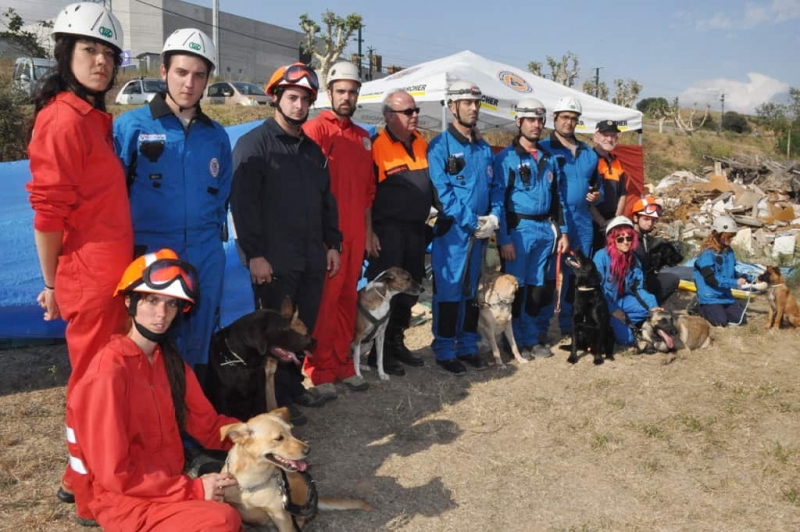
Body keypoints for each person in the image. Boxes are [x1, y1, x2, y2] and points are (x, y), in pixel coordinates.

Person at [25, 1, 133, 510]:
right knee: (91, 386)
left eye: (109, 54)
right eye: (90, 50)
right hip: (88, 281)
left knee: (105, 382)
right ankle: (90, 492)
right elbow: (47, 213)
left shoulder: (94, 120)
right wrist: (52, 282)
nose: (101, 62)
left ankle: (83, 474)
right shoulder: (62, 120)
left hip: (110, 279)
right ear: (65, 52)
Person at [65, 250, 242, 529]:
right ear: (129, 302)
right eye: (152, 300)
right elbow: (115, 475)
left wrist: (258, 435)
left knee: (240, 492)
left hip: (166, 488)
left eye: (172, 304)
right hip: (125, 502)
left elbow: (208, 426)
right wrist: (193, 490)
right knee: (222, 520)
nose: (162, 314)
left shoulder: (170, 363)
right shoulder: (108, 374)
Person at [114, 28, 231, 383]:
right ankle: (155, 424)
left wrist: (211, 246)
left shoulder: (216, 136)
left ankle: (193, 420)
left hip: (205, 252)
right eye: (181, 72)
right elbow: (111, 196)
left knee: (199, 338)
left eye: (199, 75)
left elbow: (221, 197)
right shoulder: (130, 126)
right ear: (164, 72)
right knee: (154, 339)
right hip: (152, 252)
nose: (189, 83)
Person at [230, 62, 342, 425]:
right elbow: (242, 207)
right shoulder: (254, 146)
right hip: (273, 263)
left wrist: (332, 244)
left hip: (310, 259)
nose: (298, 106)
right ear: (276, 98)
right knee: (273, 335)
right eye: (292, 98)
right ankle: (273, 400)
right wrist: (254, 256)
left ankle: (293, 388)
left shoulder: (312, 151)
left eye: (305, 100)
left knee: (299, 331)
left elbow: (327, 201)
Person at [301, 61, 375, 392]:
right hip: (327, 235)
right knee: (325, 305)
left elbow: (368, 192)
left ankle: (344, 363)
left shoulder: (363, 138)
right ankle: (319, 369)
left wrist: (369, 231)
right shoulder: (316, 130)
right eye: (341, 91)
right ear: (328, 93)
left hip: (357, 233)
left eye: (352, 91)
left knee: (348, 299)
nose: (347, 97)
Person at [427, 80, 501, 376]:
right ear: (452, 106)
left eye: (476, 103)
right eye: (467, 103)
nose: (473, 108)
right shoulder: (439, 146)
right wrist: (473, 222)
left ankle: (467, 344)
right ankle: (445, 348)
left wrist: (493, 217)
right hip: (453, 233)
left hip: (481, 233)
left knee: (472, 291)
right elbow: (443, 194)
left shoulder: (483, 148)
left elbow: (494, 185)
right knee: (449, 292)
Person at [494, 98, 567, 359]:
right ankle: (510, 339)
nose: (536, 125)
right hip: (519, 230)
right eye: (531, 120)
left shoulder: (549, 158)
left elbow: (558, 198)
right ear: (519, 122)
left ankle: (531, 337)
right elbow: (498, 202)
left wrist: (563, 231)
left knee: (538, 287)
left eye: (540, 120)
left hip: (544, 231)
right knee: (516, 287)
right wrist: (503, 238)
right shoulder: (506, 159)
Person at [365, 89, 432, 374]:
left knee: (410, 289)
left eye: (416, 110)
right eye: (408, 112)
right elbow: (366, 195)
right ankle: (378, 353)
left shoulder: (421, 142)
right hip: (388, 231)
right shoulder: (375, 145)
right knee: (387, 293)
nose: (415, 115)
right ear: (389, 116)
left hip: (416, 230)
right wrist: (369, 232)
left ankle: (397, 342)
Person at [536, 97, 601, 342]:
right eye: (564, 117)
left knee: (577, 276)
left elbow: (597, 185)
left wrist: (597, 194)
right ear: (555, 118)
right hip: (554, 222)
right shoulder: (543, 148)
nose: (569, 122)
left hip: (582, 222)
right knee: (549, 276)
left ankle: (571, 324)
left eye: (573, 118)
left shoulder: (588, 153)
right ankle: (541, 328)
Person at [593, 216, 661, 347]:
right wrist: (613, 310)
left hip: (623, 300)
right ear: (612, 240)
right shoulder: (601, 257)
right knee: (628, 340)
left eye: (629, 238)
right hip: (604, 303)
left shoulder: (634, 260)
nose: (626, 242)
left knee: (648, 312)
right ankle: (611, 325)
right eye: (620, 239)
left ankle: (621, 323)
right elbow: (597, 290)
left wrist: (653, 306)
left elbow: (639, 288)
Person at [693, 215, 748, 326]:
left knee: (740, 320)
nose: (730, 239)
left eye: (732, 236)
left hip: (725, 296)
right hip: (710, 297)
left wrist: (749, 278)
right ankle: (698, 307)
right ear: (717, 234)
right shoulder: (707, 254)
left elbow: (732, 272)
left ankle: (721, 309)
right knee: (720, 322)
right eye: (728, 236)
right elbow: (711, 279)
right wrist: (735, 282)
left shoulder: (729, 252)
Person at [630, 195, 680, 305]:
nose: (650, 224)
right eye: (646, 219)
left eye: (653, 220)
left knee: (672, 279)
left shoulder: (644, 237)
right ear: (635, 218)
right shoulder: (629, 239)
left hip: (646, 278)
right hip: (635, 283)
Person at [590, 120, 628, 252]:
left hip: (612, 222)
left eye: (613, 136)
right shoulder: (588, 159)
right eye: (605, 135)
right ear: (596, 137)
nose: (609, 139)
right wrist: (601, 222)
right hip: (592, 223)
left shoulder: (617, 162)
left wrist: (615, 220)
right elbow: (584, 196)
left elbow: (623, 194)